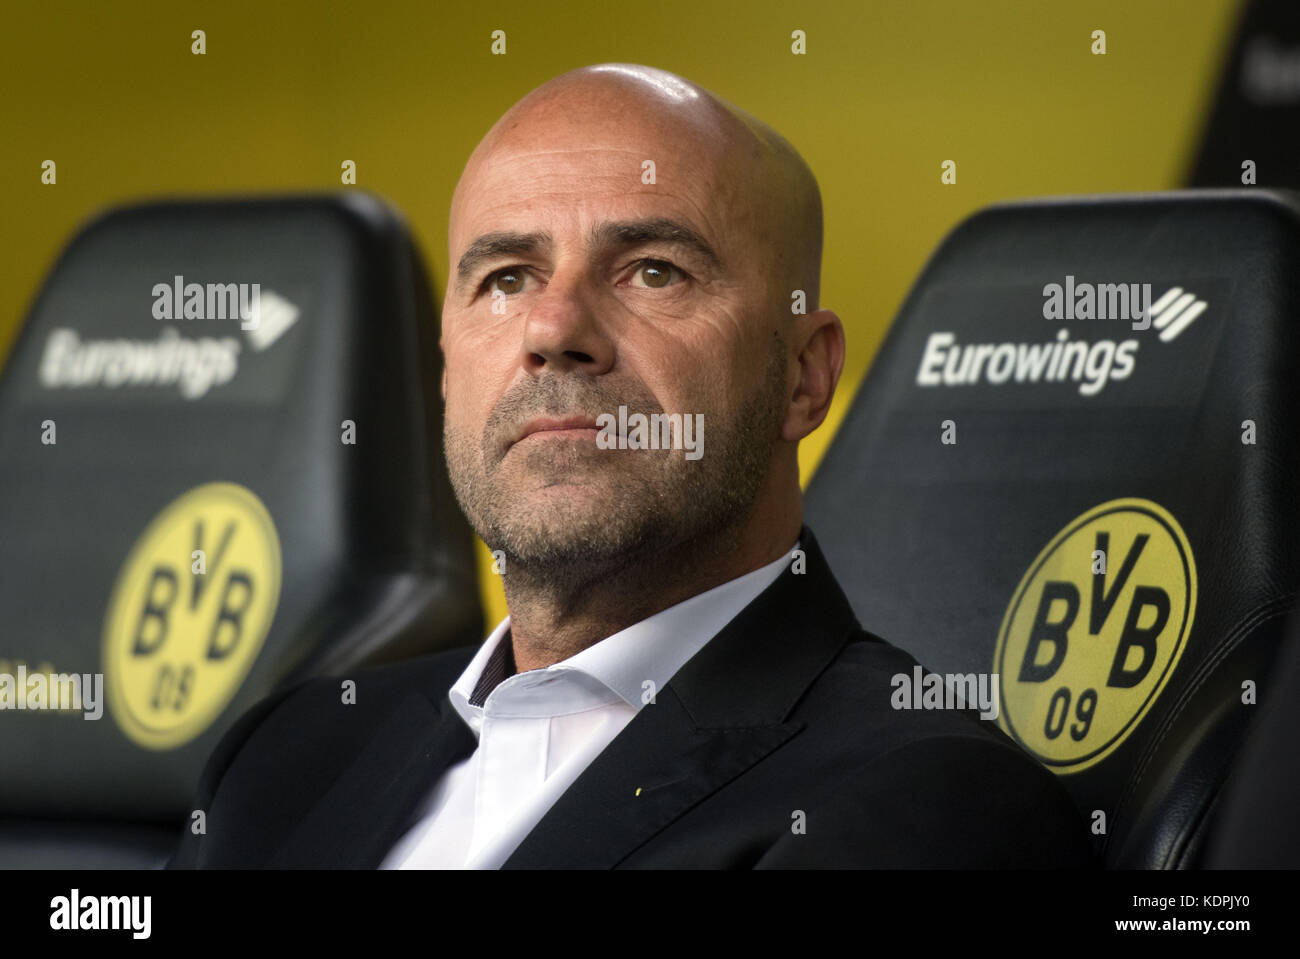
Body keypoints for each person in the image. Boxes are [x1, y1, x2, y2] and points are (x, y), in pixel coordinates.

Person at [169, 63, 1092, 868]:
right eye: (506, 278)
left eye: (652, 271)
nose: (554, 331)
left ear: (802, 379)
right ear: (446, 370)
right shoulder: (289, 754)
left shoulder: (928, 804)